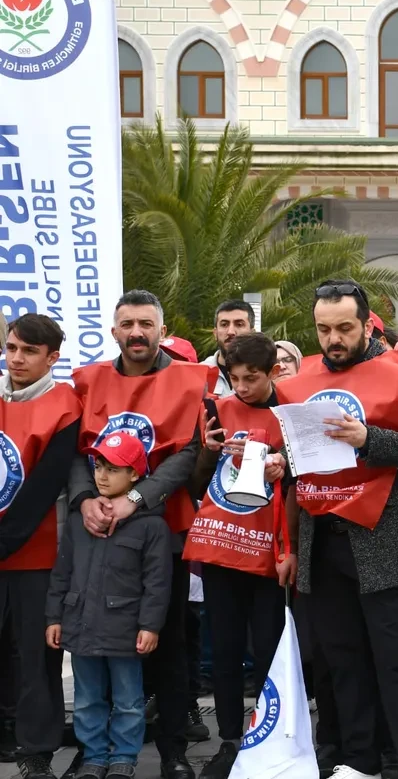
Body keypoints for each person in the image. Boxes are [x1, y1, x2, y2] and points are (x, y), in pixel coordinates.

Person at [275, 280, 398, 779]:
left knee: (396, 657)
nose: (333, 339)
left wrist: (370, 438)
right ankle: (358, 759)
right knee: (342, 658)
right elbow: (299, 456)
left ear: (368, 323)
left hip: (382, 537)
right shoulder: (299, 379)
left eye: (344, 328)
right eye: (324, 329)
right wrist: (277, 464)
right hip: (323, 538)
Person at [67, 290, 211, 779]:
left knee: (167, 645)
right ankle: (94, 754)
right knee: (95, 650)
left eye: (146, 324)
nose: (136, 333)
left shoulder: (188, 381)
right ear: (113, 331)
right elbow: (74, 451)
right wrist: (87, 498)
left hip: (159, 535)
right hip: (96, 534)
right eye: (127, 324)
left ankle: (172, 751)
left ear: (161, 330)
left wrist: (136, 499)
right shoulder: (90, 383)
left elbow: (188, 454)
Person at [183, 333, 292, 779]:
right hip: (222, 547)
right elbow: (194, 485)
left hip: (269, 552)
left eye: (252, 378)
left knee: (268, 649)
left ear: (274, 373)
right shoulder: (215, 410)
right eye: (234, 378)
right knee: (225, 649)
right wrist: (208, 454)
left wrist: (284, 464)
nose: (242, 387)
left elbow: (310, 479)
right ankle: (230, 738)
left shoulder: (290, 412)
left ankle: (271, 736)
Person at [47, 432, 172, 779]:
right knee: (86, 699)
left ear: (135, 475)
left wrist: (150, 626)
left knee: (129, 700)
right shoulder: (79, 521)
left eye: (113, 468)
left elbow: (157, 584)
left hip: (125, 629)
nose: (101, 475)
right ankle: (94, 755)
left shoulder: (151, 526)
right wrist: (53, 616)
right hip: (81, 625)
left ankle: (124, 757)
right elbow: (63, 572)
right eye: (98, 466)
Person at [0, 315, 83, 779]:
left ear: (52, 358)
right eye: (12, 348)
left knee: (36, 657)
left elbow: (43, 489)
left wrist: (6, 541)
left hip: (37, 552)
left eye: (29, 351)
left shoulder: (65, 405)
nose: (16, 359)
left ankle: (36, 752)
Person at [202, 300, 254, 398]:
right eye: (224, 324)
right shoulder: (200, 374)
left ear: (252, 333)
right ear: (215, 333)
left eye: (239, 324)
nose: (231, 332)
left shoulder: (264, 373)